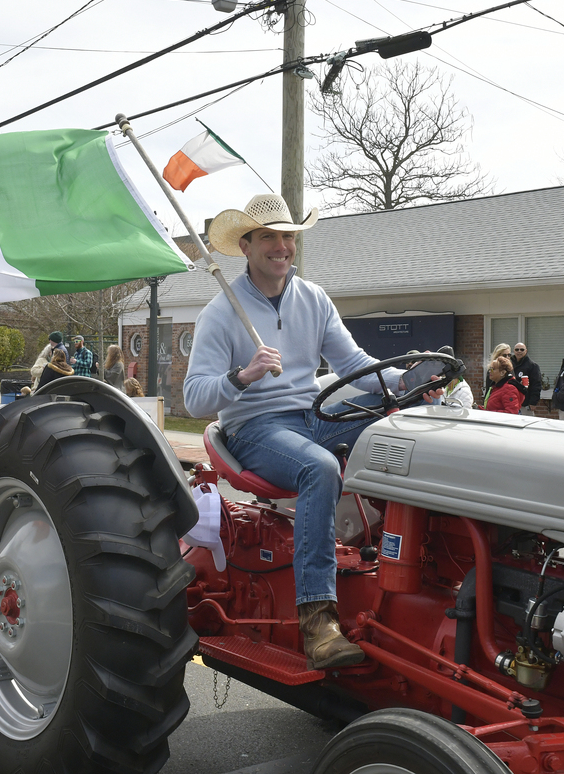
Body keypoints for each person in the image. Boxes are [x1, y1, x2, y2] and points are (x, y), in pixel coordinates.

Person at [183, 193, 441, 672]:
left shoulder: (313, 298)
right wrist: (243, 376)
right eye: (269, 237)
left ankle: (420, 561)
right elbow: (196, 398)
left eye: (288, 236)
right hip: (254, 428)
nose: (281, 246)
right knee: (320, 468)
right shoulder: (221, 312)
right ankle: (318, 622)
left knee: (401, 424)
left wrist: (404, 382)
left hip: (311, 417)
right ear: (246, 246)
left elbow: (353, 366)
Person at [510, 342, 542, 412]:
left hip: (525, 403)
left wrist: (533, 402)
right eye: (517, 349)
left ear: (526, 351)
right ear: (513, 351)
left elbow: (536, 385)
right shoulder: (509, 364)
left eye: (522, 350)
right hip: (511, 401)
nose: (519, 351)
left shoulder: (532, 366)